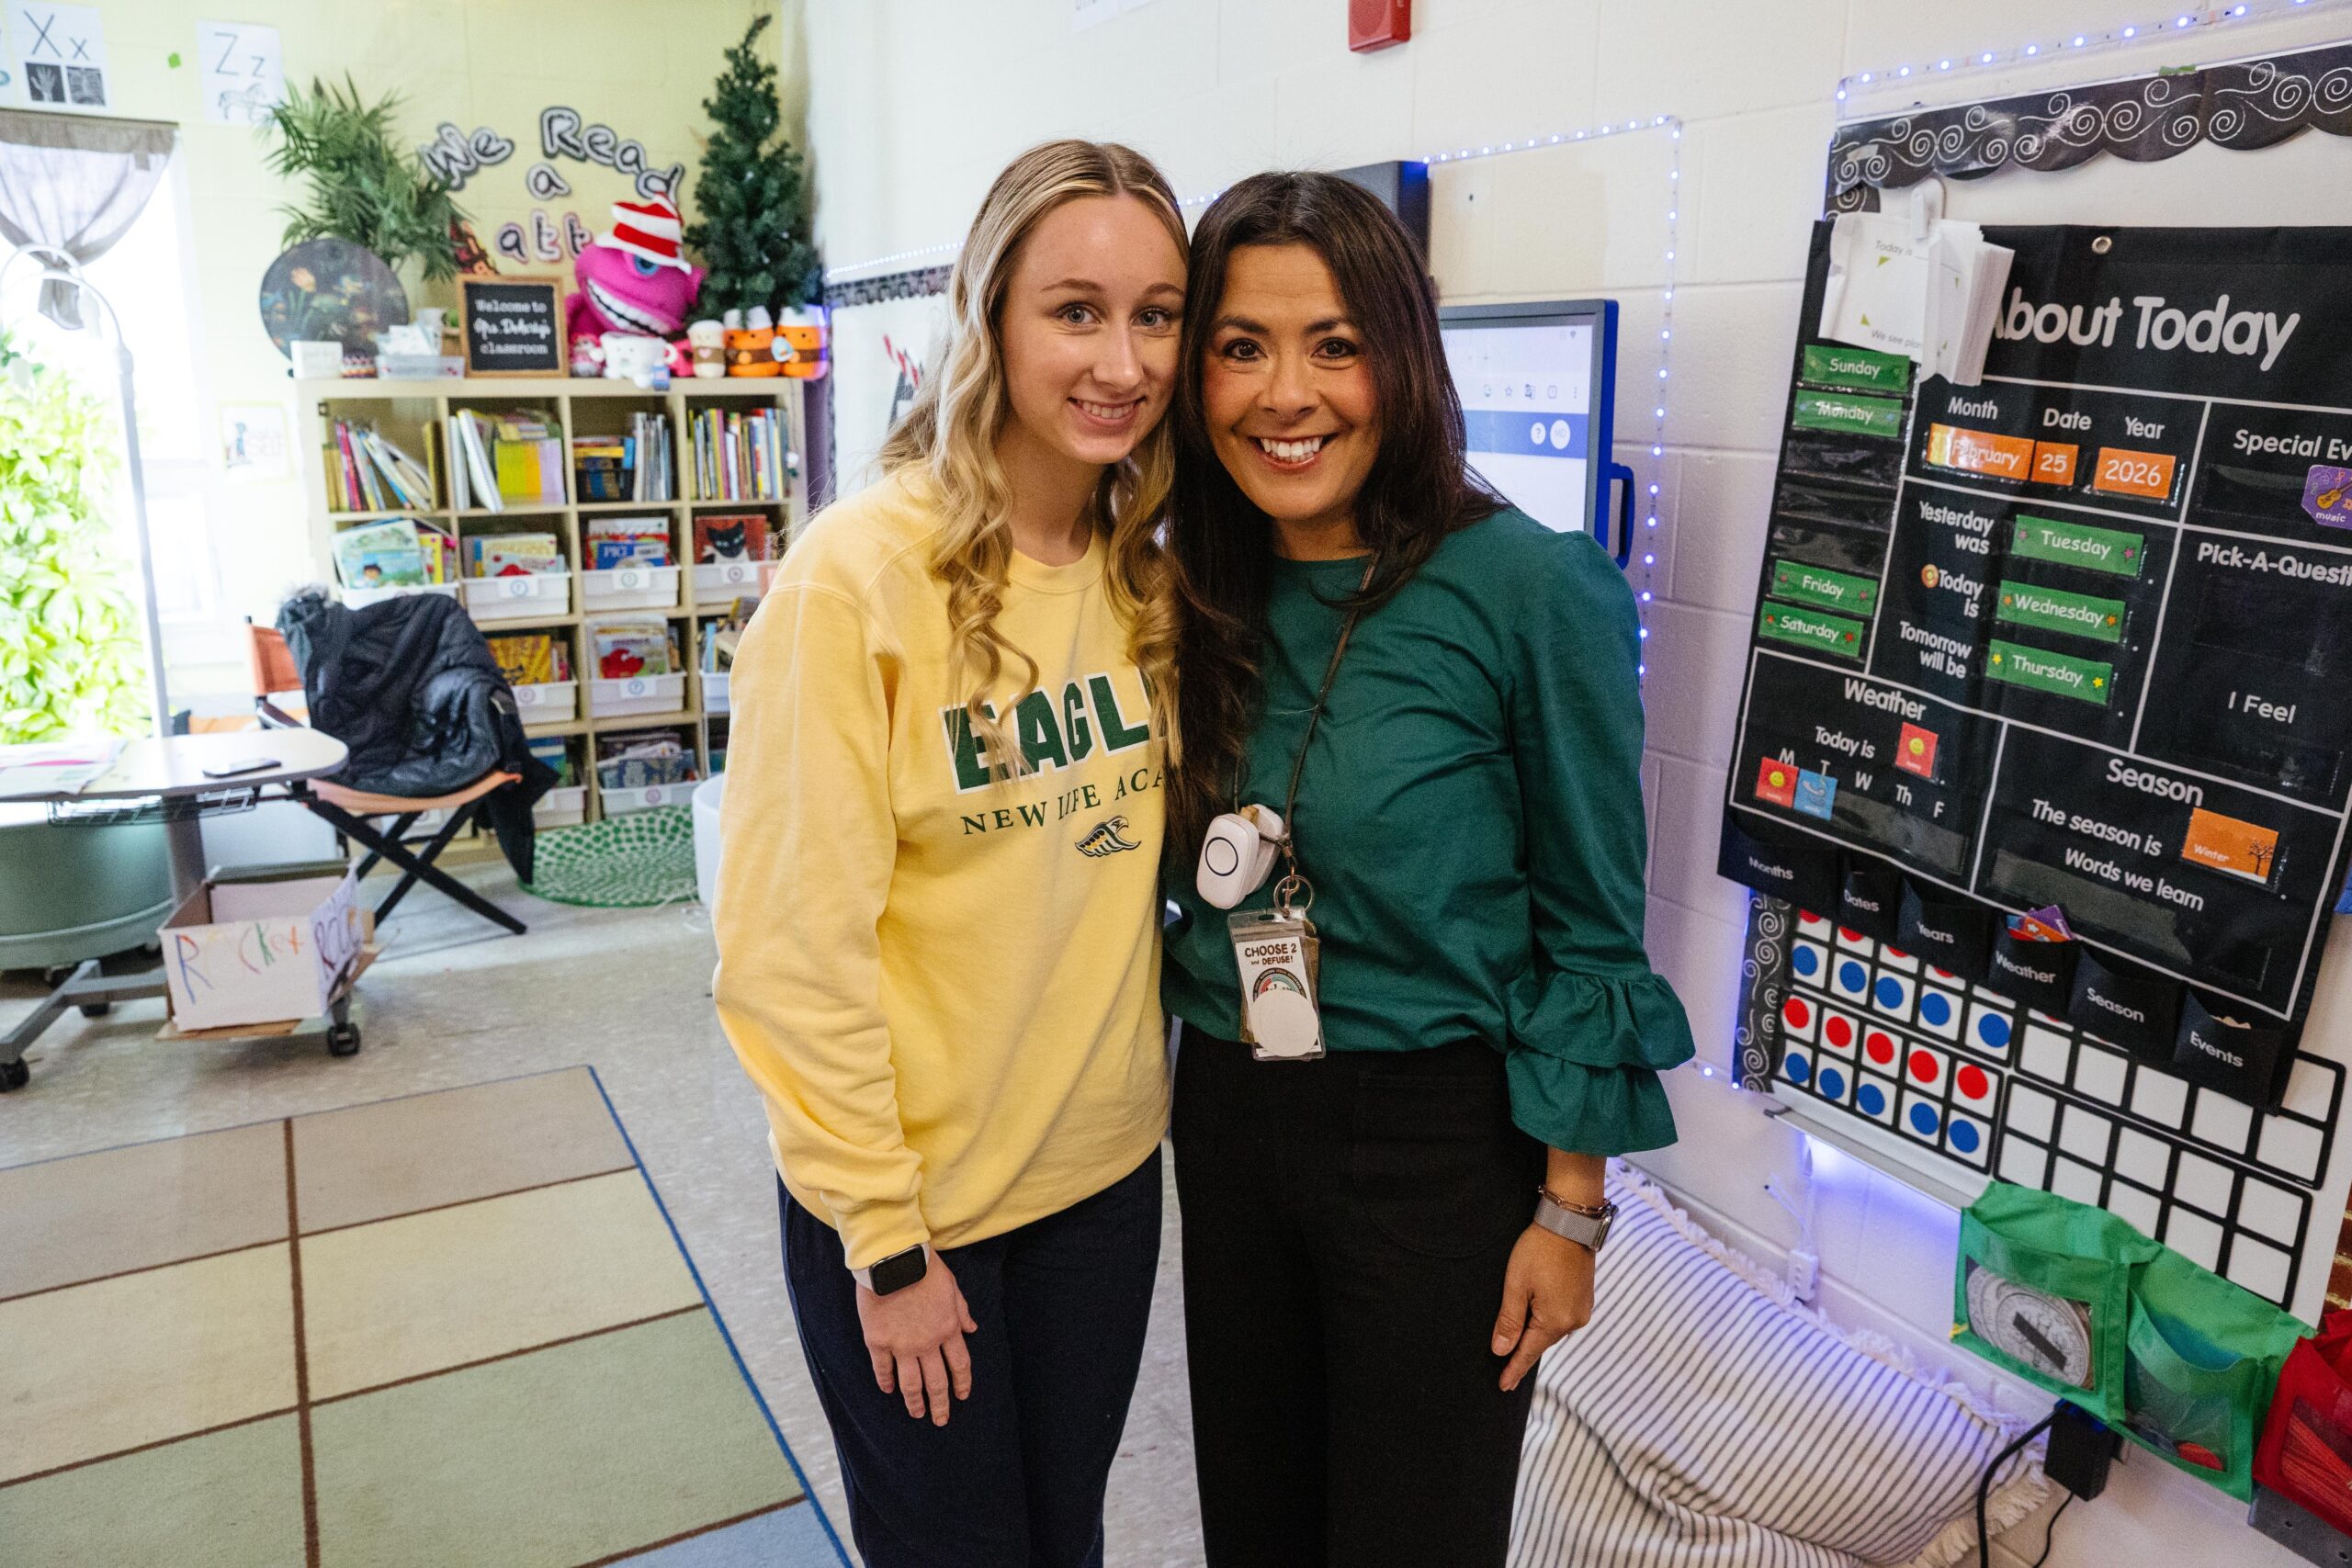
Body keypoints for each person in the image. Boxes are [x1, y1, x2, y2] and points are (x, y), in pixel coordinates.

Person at [1159, 171, 1696, 1568]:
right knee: (1256, 1526)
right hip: (1222, 1110)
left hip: (1435, 1144)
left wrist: (1569, 1210)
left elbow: (1592, 920)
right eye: (1241, 347)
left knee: (1412, 1537)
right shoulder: (1186, 588)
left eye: (1335, 345)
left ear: (1402, 356)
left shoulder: (1527, 588)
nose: (1288, 395)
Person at [712, 139, 1186, 1568]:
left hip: (1100, 1185)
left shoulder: (1145, 572)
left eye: (1157, 314)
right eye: (1076, 310)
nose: (1123, 360)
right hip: (918, 1210)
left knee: (1070, 1537)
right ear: (989, 318)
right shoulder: (857, 578)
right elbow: (791, 954)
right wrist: (887, 1241)